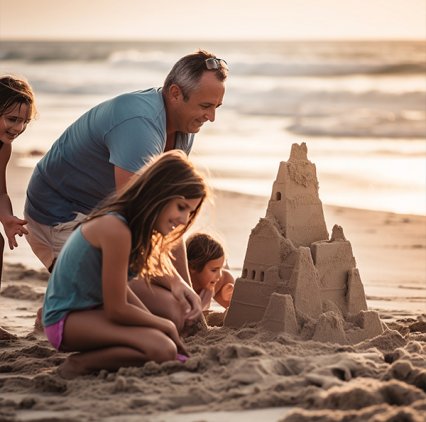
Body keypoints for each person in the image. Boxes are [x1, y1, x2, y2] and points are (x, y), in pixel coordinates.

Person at [24, 50, 228, 281]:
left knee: (171, 297)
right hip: (58, 218)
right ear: (175, 94)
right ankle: (58, 312)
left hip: (103, 219)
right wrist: (175, 283)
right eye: (205, 106)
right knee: (148, 298)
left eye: (216, 107)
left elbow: (169, 211)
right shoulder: (139, 124)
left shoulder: (185, 126)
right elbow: (138, 214)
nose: (211, 117)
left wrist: (184, 285)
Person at [42, 150, 208, 379]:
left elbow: (125, 291)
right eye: (181, 207)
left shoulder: (130, 230)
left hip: (90, 312)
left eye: (189, 212)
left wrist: (158, 325)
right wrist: (164, 326)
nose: (183, 220)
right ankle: (79, 364)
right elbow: (117, 308)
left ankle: (104, 355)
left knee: (163, 341)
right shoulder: (116, 229)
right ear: (158, 194)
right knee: (163, 347)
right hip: (66, 320)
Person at [0, 76, 36, 340]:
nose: (19, 127)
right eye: (12, 119)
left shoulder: (3, 147)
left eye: (24, 121)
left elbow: (0, 192)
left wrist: (7, 218)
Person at [186, 232, 235, 311]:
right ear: (193, 267)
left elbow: (237, 312)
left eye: (221, 268)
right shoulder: (179, 289)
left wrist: (230, 298)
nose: (219, 275)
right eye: (214, 270)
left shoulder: (216, 282)